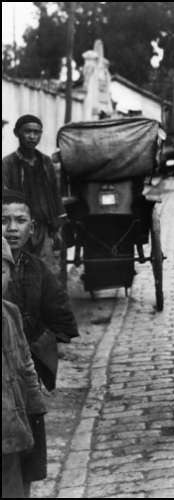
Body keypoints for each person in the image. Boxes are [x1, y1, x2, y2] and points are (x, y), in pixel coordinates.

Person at [2, 190, 79, 392]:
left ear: (32, 228)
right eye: (3, 221)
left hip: (27, 365)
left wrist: (38, 345)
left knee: (32, 415)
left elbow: (60, 314)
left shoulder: (38, 269)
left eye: (20, 221)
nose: (12, 228)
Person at [2, 235, 48, 498]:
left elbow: (26, 364)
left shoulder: (11, 313)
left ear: (10, 273)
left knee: (18, 484)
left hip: (15, 419)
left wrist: (35, 409)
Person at [2, 115, 68, 278]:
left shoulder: (46, 162)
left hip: (44, 226)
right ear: (16, 133)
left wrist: (57, 227)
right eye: (27, 131)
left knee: (47, 272)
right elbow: (4, 198)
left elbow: (55, 194)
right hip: (20, 227)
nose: (32, 136)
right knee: (19, 272)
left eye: (36, 132)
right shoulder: (8, 164)